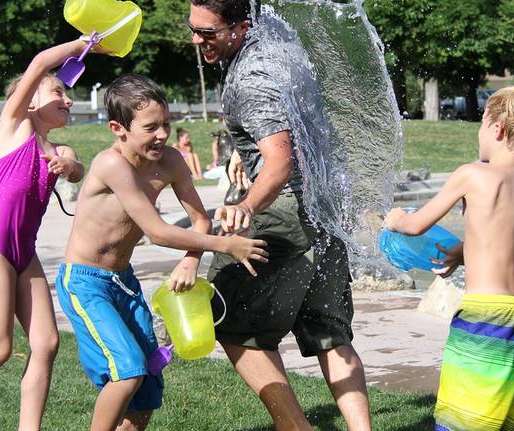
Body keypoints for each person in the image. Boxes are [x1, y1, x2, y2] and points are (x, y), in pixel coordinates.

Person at [189, 2, 372, 430]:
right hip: (325, 207)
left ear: (241, 26)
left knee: (234, 326)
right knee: (329, 332)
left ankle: (296, 427)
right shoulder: (279, 42)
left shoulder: (251, 79)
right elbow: (292, 122)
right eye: (194, 30)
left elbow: (280, 160)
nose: (198, 40)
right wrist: (242, 148)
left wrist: (247, 204)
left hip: (281, 209)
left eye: (209, 32)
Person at [55, 74, 268, 431]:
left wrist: (191, 260)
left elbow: (201, 219)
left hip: (123, 282)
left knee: (148, 383)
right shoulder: (111, 165)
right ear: (117, 128)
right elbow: (156, 232)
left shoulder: (170, 161)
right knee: (127, 370)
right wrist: (225, 244)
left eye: (166, 124)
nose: (163, 134)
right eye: (151, 127)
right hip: (85, 282)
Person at [385, 86, 514, 431]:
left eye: (481, 122)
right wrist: (464, 252)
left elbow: (417, 225)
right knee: (499, 417)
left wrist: (395, 219)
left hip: (485, 314)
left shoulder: (472, 174)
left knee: (461, 418)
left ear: (498, 129)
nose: (479, 131)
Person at [0, 40, 90, 430]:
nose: (67, 101)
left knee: (47, 344)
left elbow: (76, 166)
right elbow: (38, 63)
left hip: (24, 253)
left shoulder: (58, 148)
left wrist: (67, 166)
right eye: (59, 93)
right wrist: (83, 44)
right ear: (30, 102)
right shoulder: (13, 127)